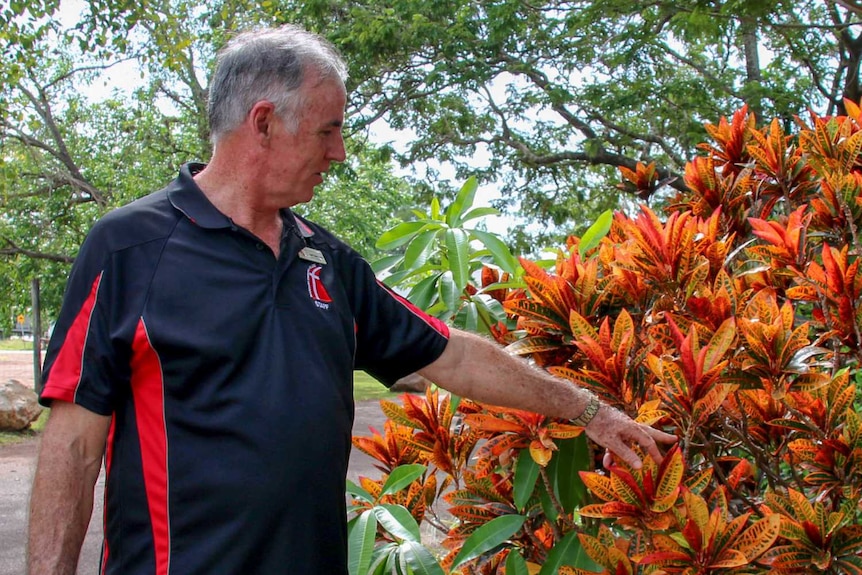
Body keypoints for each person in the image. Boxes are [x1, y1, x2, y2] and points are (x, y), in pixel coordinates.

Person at [27, 24, 676, 575]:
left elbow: (452, 356)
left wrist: (590, 411)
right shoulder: (131, 248)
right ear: (264, 123)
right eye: (327, 130)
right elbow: (74, 449)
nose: (338, 152)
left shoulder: (329, 262)